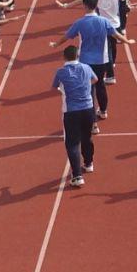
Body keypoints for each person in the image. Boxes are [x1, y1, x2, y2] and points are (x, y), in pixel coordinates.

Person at [52, 43, 100, 187]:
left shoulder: (61, 72)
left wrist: (64, 91)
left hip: (71, 111)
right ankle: (89, 163)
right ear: (78, 55)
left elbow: (54, 87)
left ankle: (77, 176)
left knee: (72, 143)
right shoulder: (86, 68)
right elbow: (96, 79)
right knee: (87, 137)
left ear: (64, 57)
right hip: (88, 109)